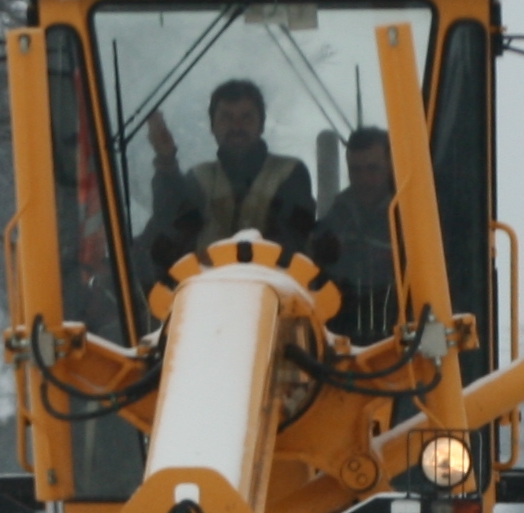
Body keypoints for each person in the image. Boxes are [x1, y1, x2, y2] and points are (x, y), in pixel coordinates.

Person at [144, 78, 319, 267]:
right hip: (203, 291)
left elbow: (293, 238)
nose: (237, 127)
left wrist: (229, 256)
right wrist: (166, 160)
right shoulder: (200, 178)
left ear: (261, 126)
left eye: (246, 118)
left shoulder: (289, 173)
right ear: (213, 126)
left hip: (275, 291)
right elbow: (171, 227)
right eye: (227, 118)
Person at [311, 125, 400, 340]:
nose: (364, 179)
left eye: (373, 169)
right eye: (355, 170)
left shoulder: (408, 219)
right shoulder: (335, 221)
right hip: (341, 343)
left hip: (398, 343)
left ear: (390, 165)